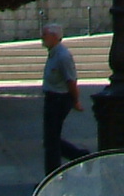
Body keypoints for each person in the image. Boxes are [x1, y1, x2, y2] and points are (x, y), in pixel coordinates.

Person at [40, 24, 87, 174]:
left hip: (59, 99)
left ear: (54, 36)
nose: (42, 38)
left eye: (45, 35)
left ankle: (52, 174)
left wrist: (76, 100)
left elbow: (71, 81)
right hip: (52, 98)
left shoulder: (63, 56)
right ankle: (80, 156)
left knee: (51, 141)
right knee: (51, 139)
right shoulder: (53, 53)